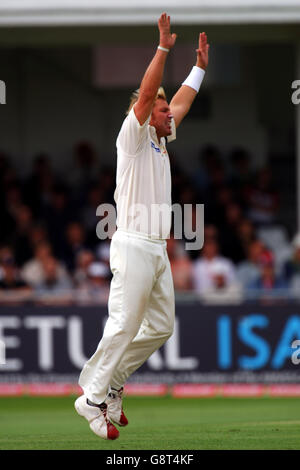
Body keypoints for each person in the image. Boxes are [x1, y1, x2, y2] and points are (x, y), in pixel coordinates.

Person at [75, 12, 209, 440]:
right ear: (147, 113)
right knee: (122, 323)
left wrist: (199, 69)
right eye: (163, 109)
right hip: (131, 242)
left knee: (161, 326)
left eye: (169, 110)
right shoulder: (131, 137)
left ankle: (113, 382)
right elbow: (149, 92)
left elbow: (183, 101)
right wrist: (164, 48)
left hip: (156, 247)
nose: (172, 114)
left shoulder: (161, 136)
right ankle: (91, 396)